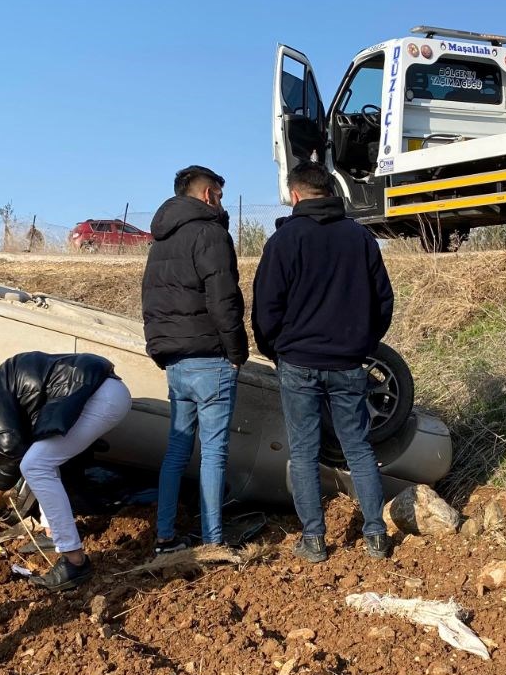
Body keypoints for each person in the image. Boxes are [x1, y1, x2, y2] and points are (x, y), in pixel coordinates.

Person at [253, 163, 395, 563]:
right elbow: (383, 300)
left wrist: (276, 349)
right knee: (359, 448)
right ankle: (376, 535)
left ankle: (314, 540)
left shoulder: (283, 241)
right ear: (330, 191)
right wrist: (363, 343)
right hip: (349, 362)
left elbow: (266, 307)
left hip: (298, 361)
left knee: (304, 452)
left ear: (294, 194)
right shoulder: (360, 238)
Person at [0, 352, 131, 592]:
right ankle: (53, 532)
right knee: (40, 459)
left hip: (100, 397)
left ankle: (75, 562)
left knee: (36, 464)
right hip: (100, 391)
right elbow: (17, 449)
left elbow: (12, 445)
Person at [142, 165, 247, 555]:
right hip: (210, 359)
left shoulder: (160, 240)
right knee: (214, 452)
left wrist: (161, 350)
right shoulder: (210, 233)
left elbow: (151, 301)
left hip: (176, 363)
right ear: (208, 195)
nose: (221, 203)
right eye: (219, 195)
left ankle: (165, 536)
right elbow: (224, 300)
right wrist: (237, 353)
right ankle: (213, 540)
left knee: (176, 450)